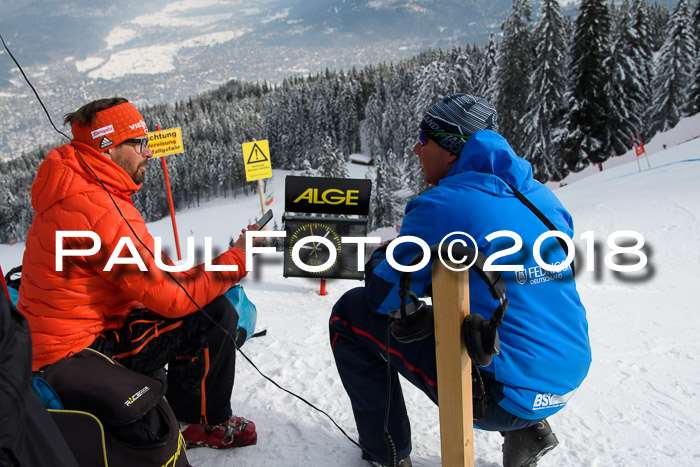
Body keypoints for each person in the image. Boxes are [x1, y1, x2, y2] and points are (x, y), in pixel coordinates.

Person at [329, 94, 591, 467]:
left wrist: (382, 256)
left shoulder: (441, 205)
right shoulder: (541, 196)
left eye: (425, 138)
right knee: (499, 317)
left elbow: (383, 296)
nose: (416, 148)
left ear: (452, 149)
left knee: (349, 313)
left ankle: (385, 453)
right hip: (566, 376)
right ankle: (529, 432)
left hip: (499, 396)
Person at [18, 97, 259, 449]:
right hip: (78, 354)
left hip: (53, 346)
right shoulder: (97, 206)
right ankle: (200, 422)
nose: (149, 153)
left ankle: (184, 407)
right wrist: (240, 257)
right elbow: (177, 298)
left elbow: (148, 274)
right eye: (139, 143)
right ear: (108, 147)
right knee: (213, 314)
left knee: (188, 309)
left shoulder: (75, 186)